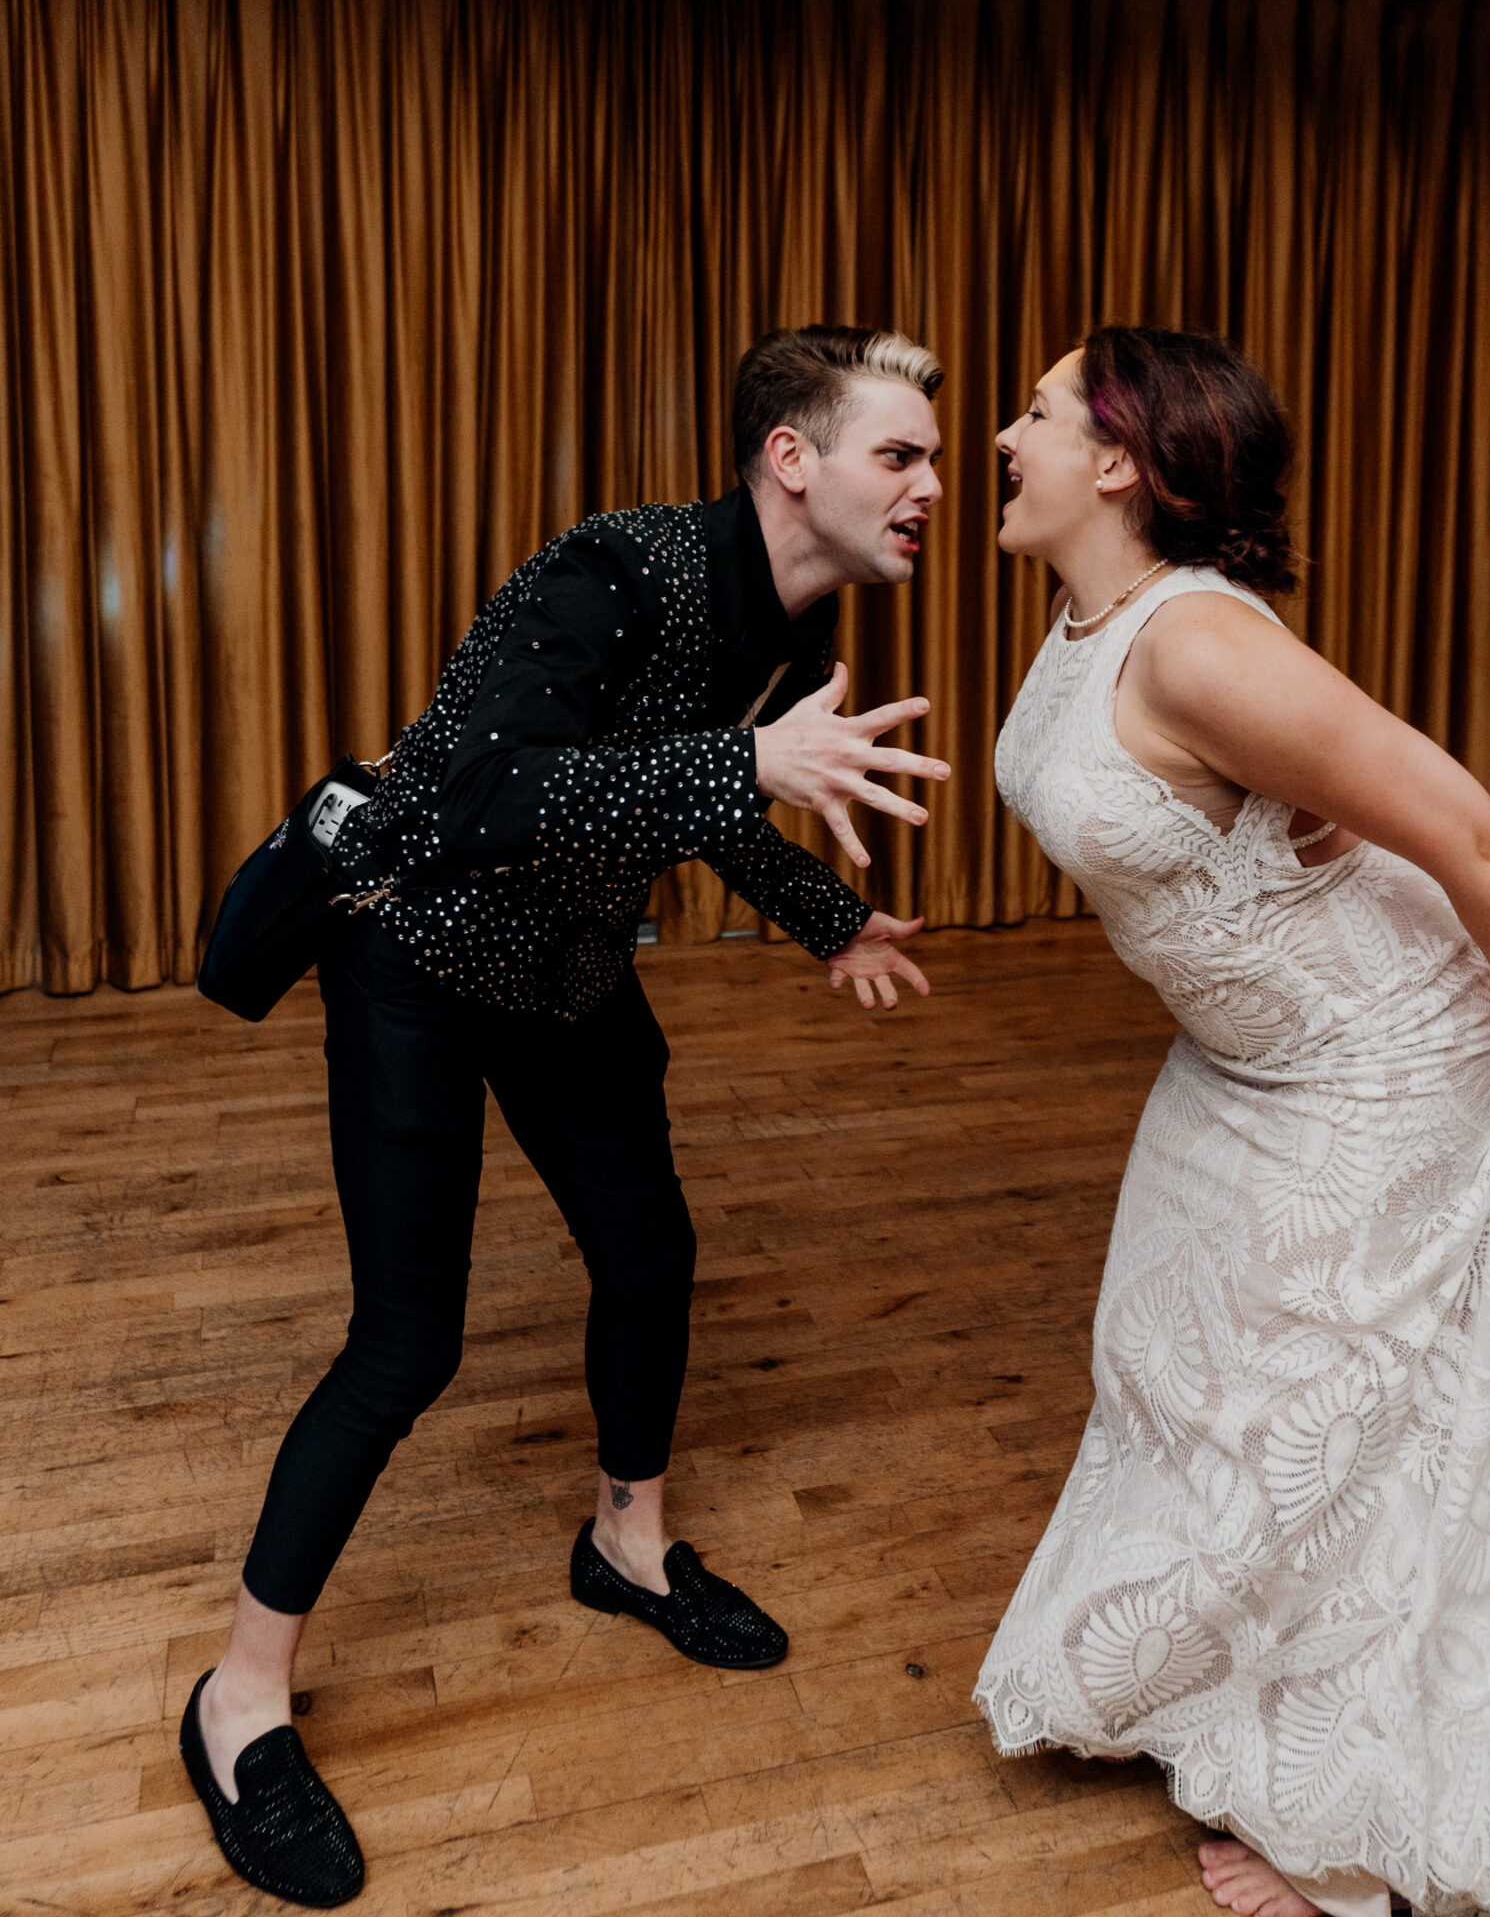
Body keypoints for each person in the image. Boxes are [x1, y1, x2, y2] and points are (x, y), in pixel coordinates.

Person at [180, 324, 951, 1909]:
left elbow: (728, 801)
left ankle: (628, 1543)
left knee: (651, 1256)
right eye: (903, 453)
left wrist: (824, 915)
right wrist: (741, 764)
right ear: (790, 460)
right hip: (419, 953)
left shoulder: (798, 639)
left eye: (938, 457)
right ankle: (238, 1699)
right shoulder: (623, 564)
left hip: (573, 969)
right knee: (408, 1346)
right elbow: (474, 790)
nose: (933, 484)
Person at [973, 325, 1490, 1917]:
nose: (1004, 436)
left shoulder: (1198, 644)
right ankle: (1199, 1679)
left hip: (1386, 1055)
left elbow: (1482, 839)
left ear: (1120, 461)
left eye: (1039, 412)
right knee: (1184, 1370)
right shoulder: (1094, 618)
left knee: (1337, 1413)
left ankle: (1342, 1802)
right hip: (1244, 1055)